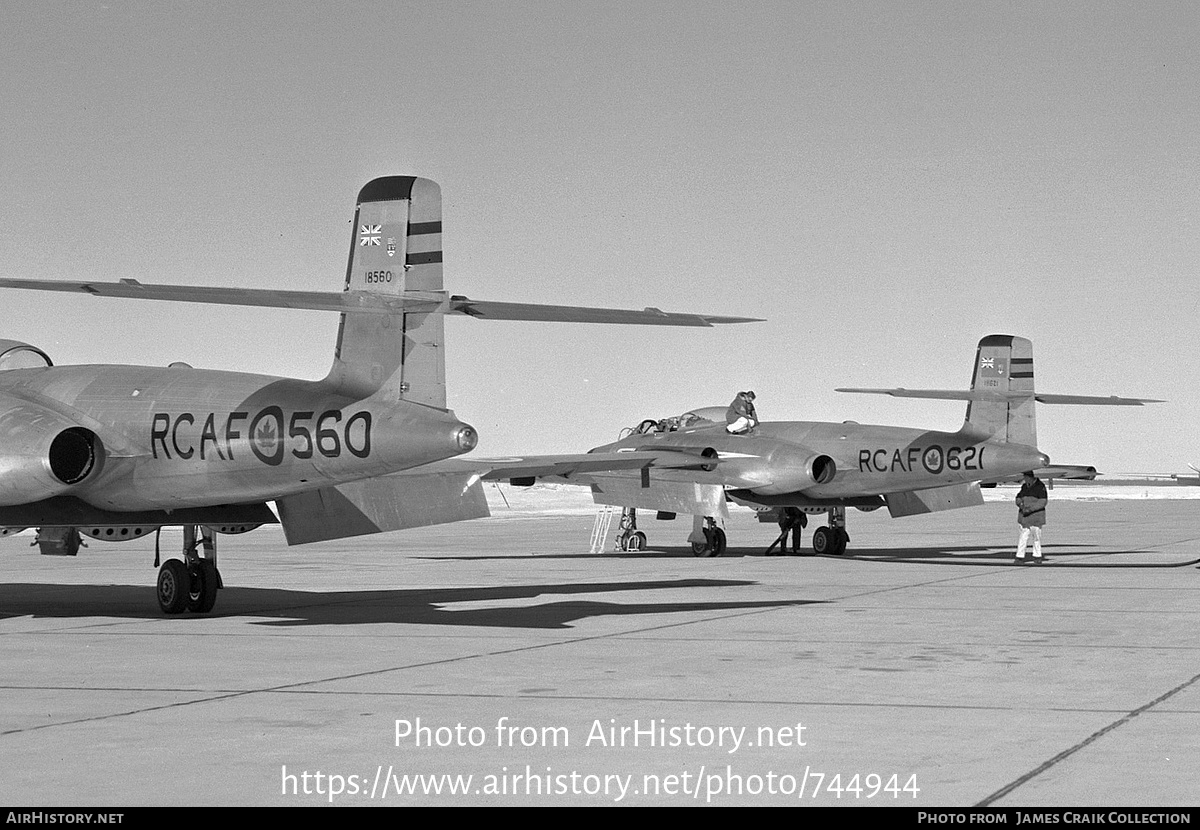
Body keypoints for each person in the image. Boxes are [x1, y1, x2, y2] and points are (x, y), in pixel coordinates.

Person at [1013, 471, 1048, 564]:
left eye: (1025, 477)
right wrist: (1020, 504)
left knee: (1036, 537)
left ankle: (1037, 556)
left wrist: (1030, 509)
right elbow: (1019, 497)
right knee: (1023, 537)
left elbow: (1043, 501)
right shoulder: (1024, 486)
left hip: (1035, 517)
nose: (1024, 479)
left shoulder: (1040, 487)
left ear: (1030, 477)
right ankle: (1019, 557)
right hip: (1024, 517)